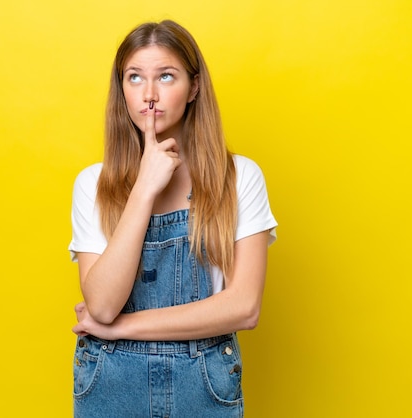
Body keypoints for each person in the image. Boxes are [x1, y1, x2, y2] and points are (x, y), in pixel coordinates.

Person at [68, 20, 277, 418]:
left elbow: (244, 307)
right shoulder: (92, 184)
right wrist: (145, 188)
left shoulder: (240, 177)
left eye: (166, 76)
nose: (149, 95)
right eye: (134, 78)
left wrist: (120, 329)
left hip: (205, 385)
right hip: (111, 384)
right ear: (122, 89)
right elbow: (103, 304)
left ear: (194, 87)